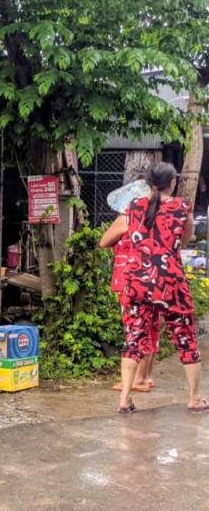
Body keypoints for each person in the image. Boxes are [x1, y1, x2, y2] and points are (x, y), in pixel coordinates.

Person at [100, 162, 208, 414]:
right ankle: (194, 399)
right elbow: (184, 240)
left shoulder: (133, 207)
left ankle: (125, 400)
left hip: (137, 281)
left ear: (148, 183)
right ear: (173, 183)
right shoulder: (182, 207)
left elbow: (116, 238)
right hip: (170, 282)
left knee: (134, 339)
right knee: (185, 337)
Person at [103, 212, 155, 393]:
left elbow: (103, 241)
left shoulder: (126, 219)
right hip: (153, 279)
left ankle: (138, 379)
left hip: (130, 281)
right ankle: (146, 376)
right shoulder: (155, 218)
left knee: (135, 329)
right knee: (150, 328)